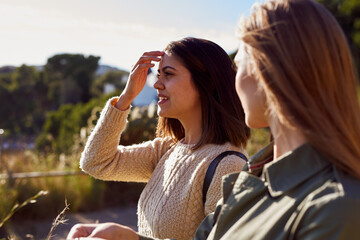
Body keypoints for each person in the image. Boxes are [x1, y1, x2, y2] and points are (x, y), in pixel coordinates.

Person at [67, 0, 360, 239]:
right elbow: (96, 162)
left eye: (241, 64)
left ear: (269, 73)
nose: (236, 80)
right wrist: (127, 238)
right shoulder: (253, 177)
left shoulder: (334, 206)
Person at [70, 37, 250, 240]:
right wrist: (125, 98)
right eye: (157, 75)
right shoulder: (168, 149)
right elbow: (95, 162)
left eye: (168, 74)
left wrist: (131, 239)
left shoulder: (229, 165)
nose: (156, 84)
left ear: (205, 84)